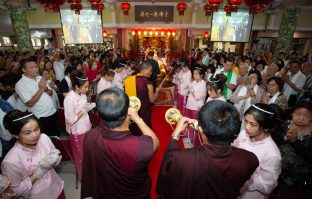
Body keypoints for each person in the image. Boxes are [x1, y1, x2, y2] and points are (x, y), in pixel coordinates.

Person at [157, 100, 259, 199]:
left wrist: (175, 135)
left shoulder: (183, 159)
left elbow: (168, 170)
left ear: (200, 130)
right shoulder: (250, 159)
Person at [81, 88, 159, 199]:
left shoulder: (91, 136)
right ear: (128, 112)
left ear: (100, 114)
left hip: (106, 193)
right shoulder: (139, 147)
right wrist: (138, 119)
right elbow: (155, 142)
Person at [1, 110, 65, 199]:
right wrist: (38, 173)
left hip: (56, 187)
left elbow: (55, 154)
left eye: (36, 129)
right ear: (16, 135)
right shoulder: (11, 161)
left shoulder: (43, 138)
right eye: (27, 133)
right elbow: (15, 192)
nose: (35, 135)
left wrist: (54, 159)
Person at [232, 103, 282, 199]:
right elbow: (235, 147)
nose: (247, 127)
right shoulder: (244, 134)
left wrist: (245, 176)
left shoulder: (272, 154)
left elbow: (267, 186)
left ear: (266, 127)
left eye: (253, 124)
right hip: (234, 185)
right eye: (246, 121)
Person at [271, 100, 312, 191]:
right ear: (292, 113)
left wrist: (294, 141)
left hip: (297, 175)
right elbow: (271, 141)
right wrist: (285, 138)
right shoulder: (284, 124)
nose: (301, 118)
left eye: (307, 116)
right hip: (275, 167)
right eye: (298, 114)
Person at [15, 58, 59, 136]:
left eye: (36, 66)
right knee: (44, 139)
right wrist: (42, 88)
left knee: (55, 136)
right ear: (23, 70)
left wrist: (45, 88)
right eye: (32, 67)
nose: (35, 69)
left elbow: (50, 93)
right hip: (41, 117)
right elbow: (30, 103)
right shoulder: (20, 84)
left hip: (52, 112)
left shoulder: (39, 78)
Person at [63, 71, 94, 181]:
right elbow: (70, 120)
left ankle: (90, 173)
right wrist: (84, 110)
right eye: (85, 87)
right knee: (80, 157)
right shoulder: (69, 99)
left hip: (86, 126)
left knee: (89, 153)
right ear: (77, 86)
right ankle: (84, 179)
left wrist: (87, 107)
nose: (87, 89)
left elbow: (83, 107)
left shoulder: (83, 94)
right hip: (77, 132)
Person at [124, 62, 160, 133]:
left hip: (132, 110)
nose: (151, 73)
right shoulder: (148, 83)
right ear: (144, 70)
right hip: (144, 111)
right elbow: (152, 100)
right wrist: (157, 91)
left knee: (134, 128)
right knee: (144, 128)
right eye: (150, 70)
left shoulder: (128, 80)